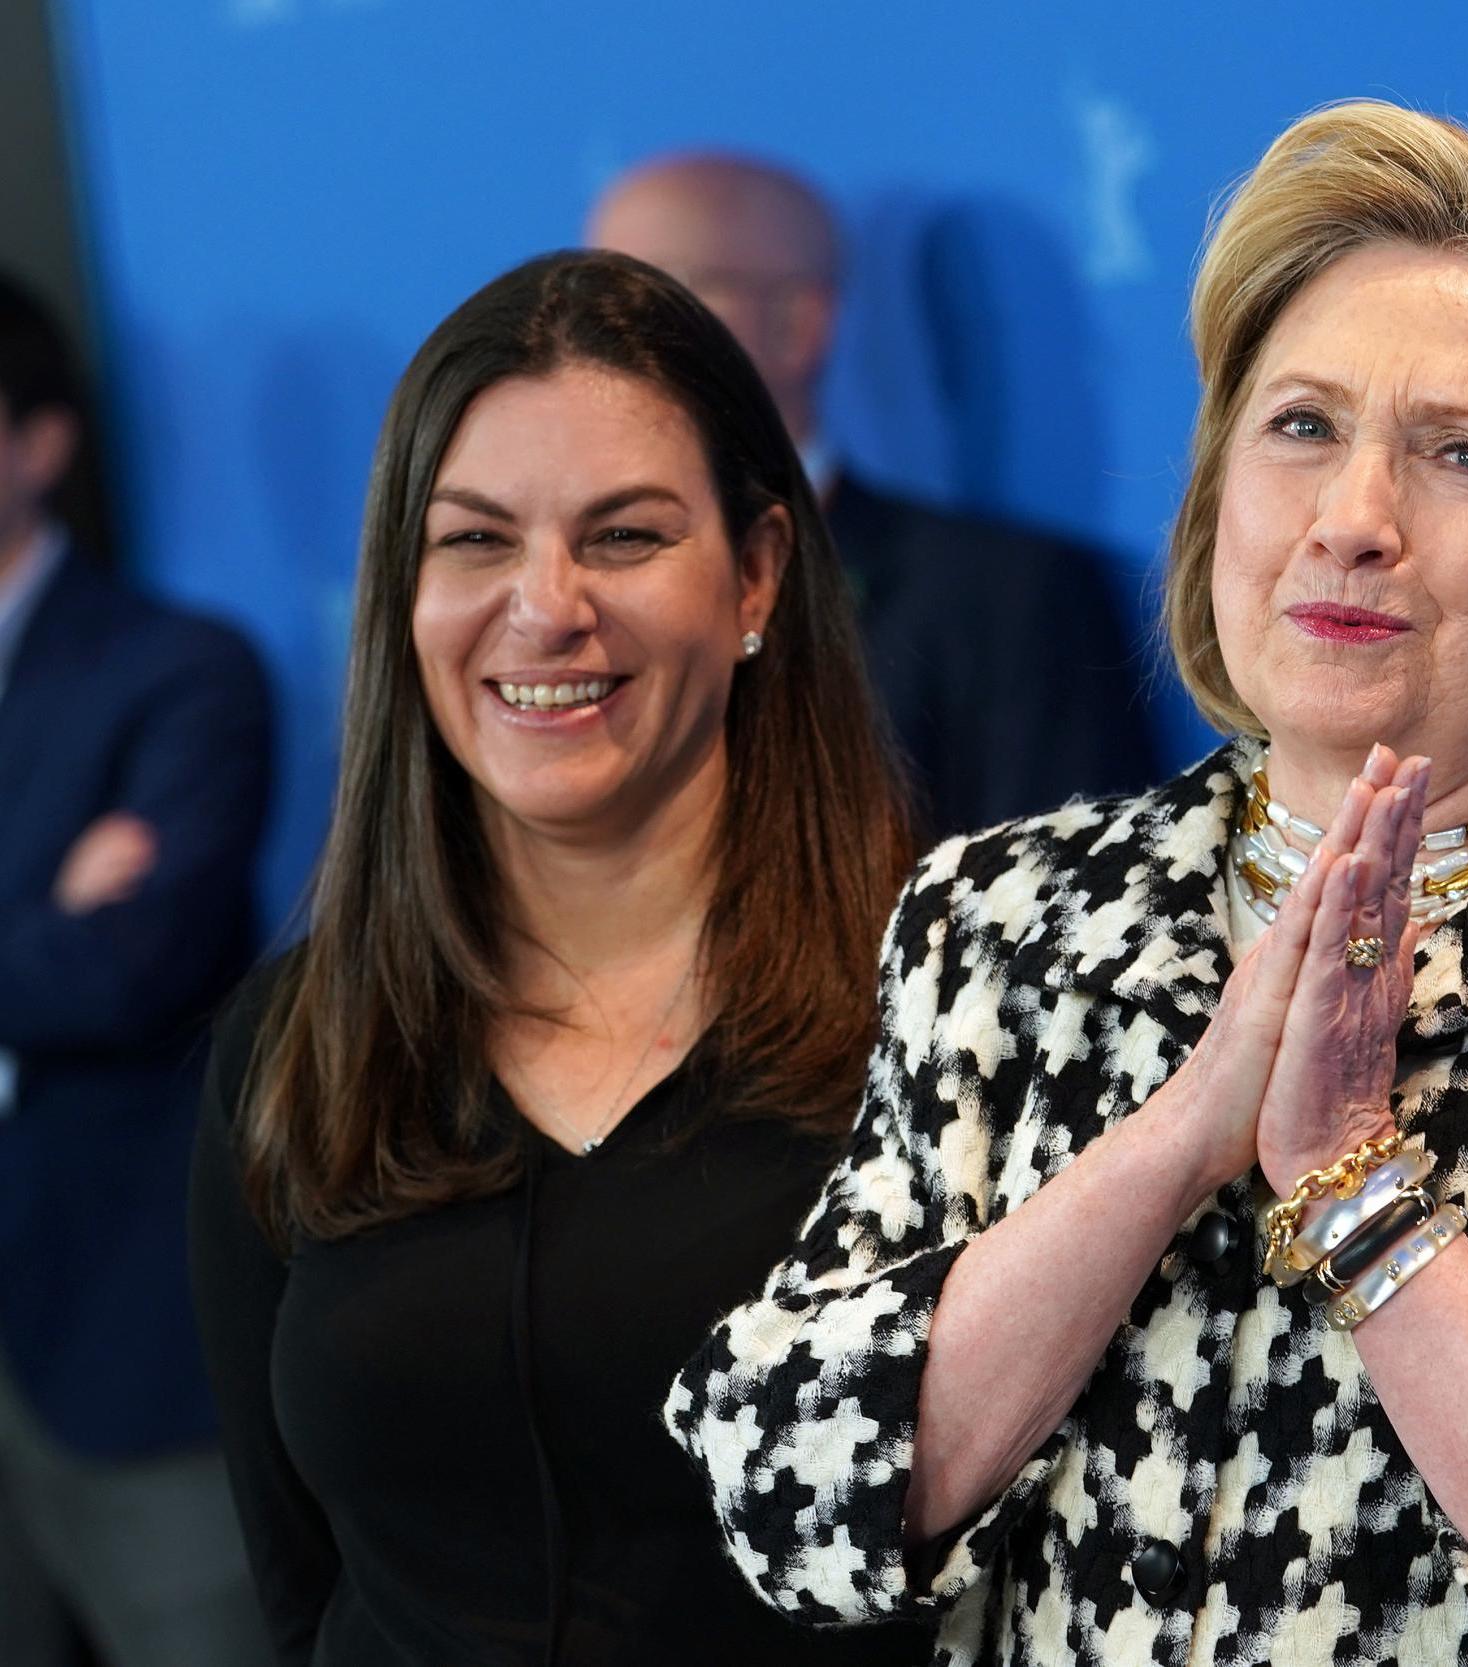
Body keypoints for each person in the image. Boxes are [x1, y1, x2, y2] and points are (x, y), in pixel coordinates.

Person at [667, 103, 1468, 1666]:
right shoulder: (997, 918)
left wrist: (1346, 1179)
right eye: (1301, 426)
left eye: (1465, 455)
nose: (1351, 521)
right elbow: (785, 1493)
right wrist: (1182, 1135)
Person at [188, 252, 924, 1665]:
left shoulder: (946, 1009)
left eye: (625, 536)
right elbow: (296, 1589)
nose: (544, 606)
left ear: (757, 573)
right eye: (473, 541)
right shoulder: (298, 1047)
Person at [587, 153, 1160, 839]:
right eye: (588, 302)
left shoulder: (1009, 600)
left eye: (653, 298)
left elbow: (1075, 909)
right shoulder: (548, 601)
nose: (598, 343)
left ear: (795, 326)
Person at [0, 270, 274, 1666]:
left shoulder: (177, 671)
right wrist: (32, 914)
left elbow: (127, 965)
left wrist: (72, 929)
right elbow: (52, 959)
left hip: (122, 1341)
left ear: (37, 442)